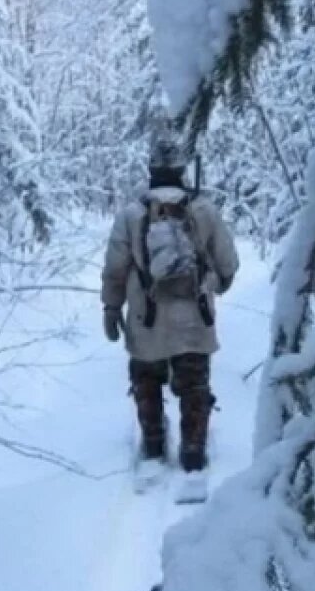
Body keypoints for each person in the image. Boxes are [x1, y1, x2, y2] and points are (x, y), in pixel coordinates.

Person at [100, 136, 239, 473]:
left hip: (146, 319)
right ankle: (192, 450)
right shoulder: (204, 210)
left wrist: (111, 308)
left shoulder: (132, 215)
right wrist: (215, 286)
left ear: (151, 170)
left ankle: (153, 443)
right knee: (194, 386)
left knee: (146, 381)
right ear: (182, 170)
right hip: (194, 320)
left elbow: (115, 269)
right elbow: (228, 263)